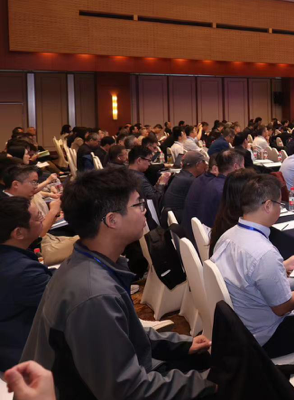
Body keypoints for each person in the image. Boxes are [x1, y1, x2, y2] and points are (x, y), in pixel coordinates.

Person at [21, 169, 216, 399]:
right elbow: (127, 390)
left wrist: (181, 344)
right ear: (112, 220)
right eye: (138, 205)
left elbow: (123, 333)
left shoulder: (88, 262)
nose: (144, 211)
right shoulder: (94, 295)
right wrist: (209, 384)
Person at [211, 174, 294, 358]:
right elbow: (283, 307)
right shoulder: (264, 253)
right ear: (268, 205)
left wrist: (283, 265)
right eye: (279, 204)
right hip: (264, 336)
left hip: (240, 323)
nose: (280, 209)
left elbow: (246, 273)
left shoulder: (227, 236)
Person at [0, 197, 51, 370]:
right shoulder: (23, 272)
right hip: (26, 357)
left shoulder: (12, 260)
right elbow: (63, 302)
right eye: (38, 217)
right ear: (19, 233)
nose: (43, 218)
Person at [183, 148, 244, 234]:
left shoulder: (210, 184)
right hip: (212, 236)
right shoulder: (224, 190)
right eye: (243, 166)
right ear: (236, 167)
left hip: (199, 232)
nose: (244, 169)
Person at [162, 151, 207, 233]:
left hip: (172, 219)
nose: (206, 165)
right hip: (182, 223)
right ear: (198, 164)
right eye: (204, 162)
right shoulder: (190, 181)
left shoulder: (180, 175)